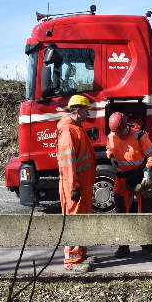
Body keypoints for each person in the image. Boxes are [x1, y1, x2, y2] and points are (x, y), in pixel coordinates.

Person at [106, 111, 152, 259]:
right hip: (123, 177)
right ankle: (123, 246)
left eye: (121, 131)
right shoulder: (111, 136)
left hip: (141, 176)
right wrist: (111, 158)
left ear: (126, 127)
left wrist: (148, 173)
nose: (119, 135)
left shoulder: (139, 135)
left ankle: (147, 247)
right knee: (121, 212)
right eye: (116, 132)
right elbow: (109, 150)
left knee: (146, 211)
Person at [57, 94, 96, 269]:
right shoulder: (68, 130)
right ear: (77, 110)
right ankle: (71, 260)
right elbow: (68, 162)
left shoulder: (76, 127)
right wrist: (74, 186)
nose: (88, 114)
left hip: (82, 185)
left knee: (82, 218)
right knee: (74, 220)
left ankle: (80, 253)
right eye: (86, 110)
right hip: (75, 186)